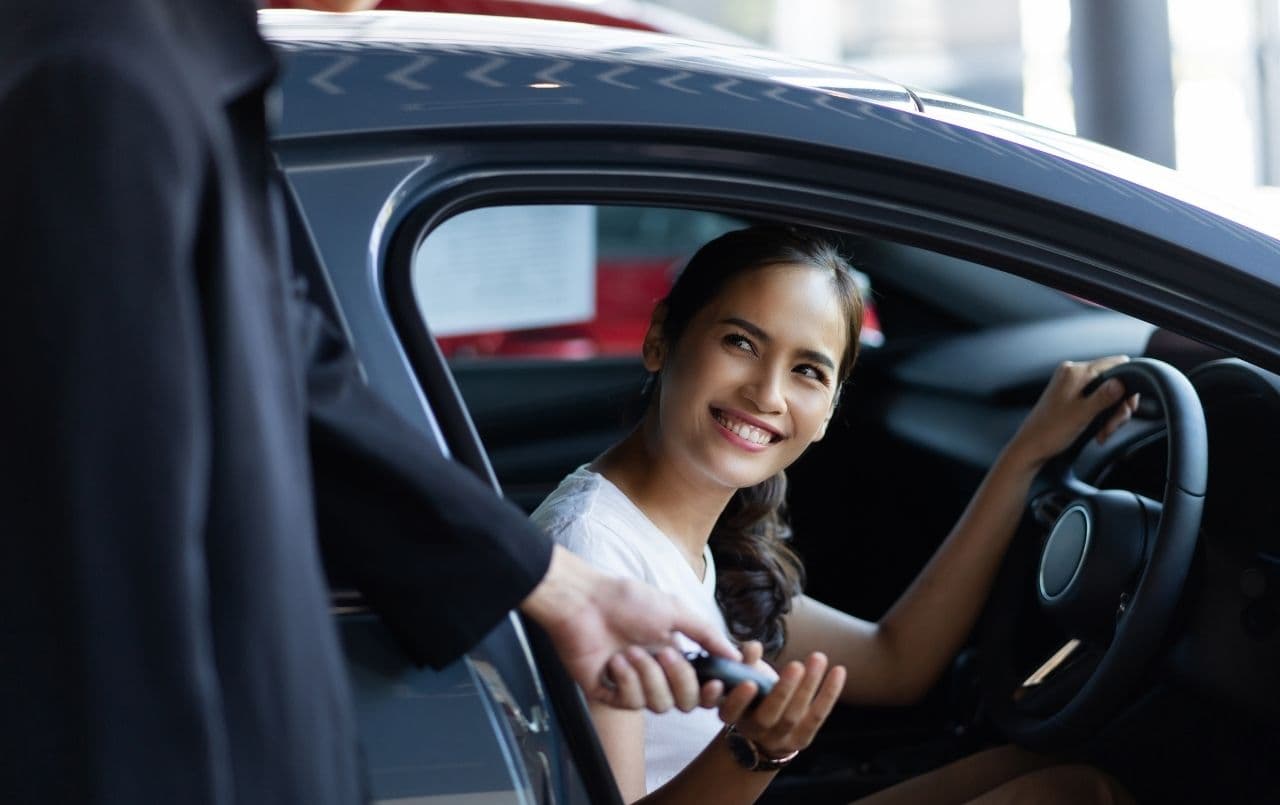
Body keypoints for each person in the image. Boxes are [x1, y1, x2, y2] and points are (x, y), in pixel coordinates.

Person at [0, 1, 735, 802]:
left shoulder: (164, 61)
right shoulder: (97, 77)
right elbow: (98, 589)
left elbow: (299, 377)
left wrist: (567, 589)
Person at [533, 225, 1139, 804]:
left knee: (1052, 772)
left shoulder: (695, 543)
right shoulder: (593, 550)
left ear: (827, 410)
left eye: (807, 371)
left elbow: (897, 661)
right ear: (661, 337)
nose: (767, 394)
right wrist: (755, 752)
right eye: (740, 343)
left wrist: (1027, 453)